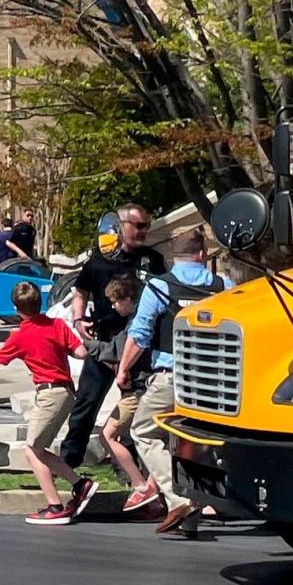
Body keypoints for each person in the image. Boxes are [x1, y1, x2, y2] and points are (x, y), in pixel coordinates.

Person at [117, 229, 230, 537]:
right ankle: (192, 516)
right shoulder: (224, 287)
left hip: (173, 377)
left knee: (144, 430)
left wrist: (123, 369)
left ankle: (181, 498)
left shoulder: (159, 286)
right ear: (202, 255)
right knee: (192, 439)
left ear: (172, 256)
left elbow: (140, 334)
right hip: (214, 380)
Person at [0, 282, 95, 525]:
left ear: (16, 308)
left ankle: (55, 504)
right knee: (40, 448)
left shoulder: (21, 336)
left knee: (32, 450)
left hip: (49, 393)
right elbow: (81, 353)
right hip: (65, 391)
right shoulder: (57, 325)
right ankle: (80, 485)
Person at [60, 202, 166, 467]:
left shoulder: (152, 260)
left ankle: (128, 466)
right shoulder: (99, 260)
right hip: (104, 341)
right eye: (139, 226)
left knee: (131, 408)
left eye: (147, 226)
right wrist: (78, 319)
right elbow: (80, 292)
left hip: (138, 347)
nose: (144, 231)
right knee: (86, 401)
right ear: (121, 226)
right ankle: (70, 459)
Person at [88, 276, 160, 514]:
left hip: (136, 390)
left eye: (115, 301)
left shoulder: (134, 326)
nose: (112, 306)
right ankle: (155, 496)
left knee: (107, 436)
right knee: (148, 441)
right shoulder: (147, 320)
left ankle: (140, 486)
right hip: (149, 388)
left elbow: (115, 353)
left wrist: (86, 344)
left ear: (128, 299)